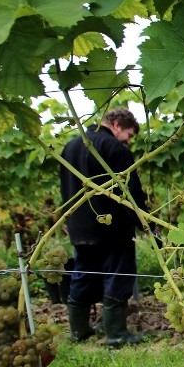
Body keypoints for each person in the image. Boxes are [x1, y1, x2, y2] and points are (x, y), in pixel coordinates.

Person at [60, 107, 150, 346]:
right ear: (118, 124)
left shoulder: (70, 147)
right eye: (129, 135)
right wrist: (145, 221)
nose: (129, 141)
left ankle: (78, 331)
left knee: (83, 274)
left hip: (79, 226)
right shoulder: (113, 148)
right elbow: (130, 192)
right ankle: (116, 334)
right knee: (118, 276)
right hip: (112, 228)